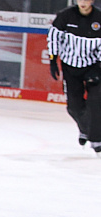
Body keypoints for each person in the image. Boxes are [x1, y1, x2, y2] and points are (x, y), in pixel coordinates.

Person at [48, 0, 101, 152]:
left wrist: (98, 66)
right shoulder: (65, 16)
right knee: (74, 107)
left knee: (95, 102)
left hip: (93, 66)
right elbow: (54, 37)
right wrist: (53, 60)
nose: (83, 2)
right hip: (70, 67)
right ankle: (85, 129)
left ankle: (97, 139)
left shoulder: (99, 18)